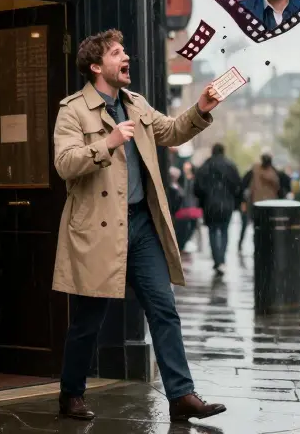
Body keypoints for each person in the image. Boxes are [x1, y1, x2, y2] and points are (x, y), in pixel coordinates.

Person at [51, 29, 226, 422]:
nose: (125, 56)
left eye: (124, 50)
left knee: (164, 309)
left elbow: (172, 132)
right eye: (116, 53)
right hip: (96, 228)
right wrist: (107, 143)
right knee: (87, 321)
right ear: (97, 66)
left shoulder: (137, 104)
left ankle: (181, 396)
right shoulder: (73, 110)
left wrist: (200, 107)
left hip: (141, 225)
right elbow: (64, 163)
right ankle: (71, 394)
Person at [193, 143, 242, 275]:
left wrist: (204, 198)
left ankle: (217, 260)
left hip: (210, 204)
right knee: (225, 230)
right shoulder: (231, 166)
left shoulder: (206, 166)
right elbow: (238, 185)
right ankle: (222, 260)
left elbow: (197, 187)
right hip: (227, 204)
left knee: (213, 231)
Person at [239, 153, 283, 251]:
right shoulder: (274, 173)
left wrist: (243, 199)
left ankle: (257, 245)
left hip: (257, 204)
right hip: (270, 205)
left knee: (257, 226)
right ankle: (266, 245)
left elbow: (244, 183)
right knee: (268, 227)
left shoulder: (255, 170)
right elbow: (281, 188)